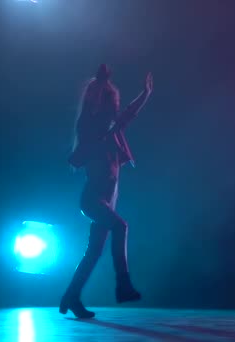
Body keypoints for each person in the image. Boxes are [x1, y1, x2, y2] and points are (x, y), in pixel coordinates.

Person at [59, 64, 153, 319]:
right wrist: (101, 82)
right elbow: (91, 108)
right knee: (121, 227)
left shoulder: (114, 132)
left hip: (107, 202)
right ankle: (123, 285)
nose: (115, 105)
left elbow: (129, 114)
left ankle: (71, 296)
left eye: (116, 100)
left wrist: (145, 94)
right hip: (92, 200)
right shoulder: (90, 130)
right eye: (111, 100)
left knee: (93, 252)